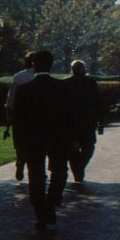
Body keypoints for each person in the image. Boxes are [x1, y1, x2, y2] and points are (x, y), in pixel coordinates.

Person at [13, 50, 73, 229]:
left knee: (36, 174)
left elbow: (18, 120)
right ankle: (52, 202)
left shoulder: (24, 90)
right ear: (51, 65)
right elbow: (70, 116)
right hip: (58, 137)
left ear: (33, 66)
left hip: (33, 139)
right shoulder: (62, 87)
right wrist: (72, 138)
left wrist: (19, 145)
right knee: (59, 171)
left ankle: (40, 210)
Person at [64, 59, 103, 184]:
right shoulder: (91, 82)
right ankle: (80, 167)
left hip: (70, 121)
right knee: (89, 147)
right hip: (87, 120)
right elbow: (98, 103)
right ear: (83, 69)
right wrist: (100, 121)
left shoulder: (65, 82)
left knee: (72, 148)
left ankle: (77, 169)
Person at [5, 51, 36, 181]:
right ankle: (32, 168)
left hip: (20, 115)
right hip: (35, 116)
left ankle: (20, 161)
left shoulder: (18, 77)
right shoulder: (38, 77)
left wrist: (9, 115)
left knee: (21, 142)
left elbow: (11, 99)